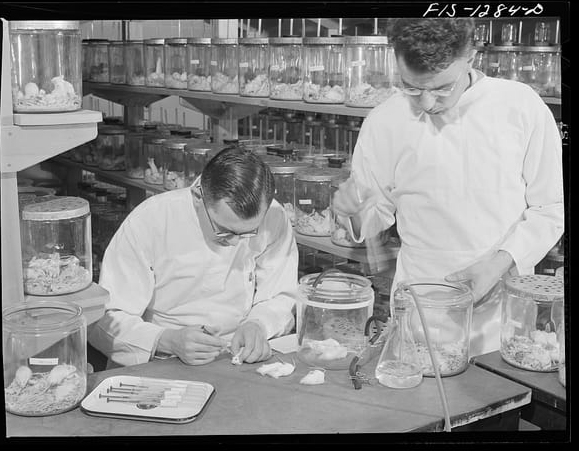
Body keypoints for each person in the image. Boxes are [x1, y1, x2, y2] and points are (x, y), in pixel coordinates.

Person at [332, 18, 564, 357]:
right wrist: (353, 214)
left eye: (441, 88)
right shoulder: (385, 120)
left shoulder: (520, 106)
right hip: (420, 313)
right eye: (412, 87)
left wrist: (500, 262)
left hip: (501, 317)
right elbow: (375, 211)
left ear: (470, 57)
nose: (427, 103)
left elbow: (551, 208)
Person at [88, 147, 298, 368]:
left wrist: (258, 325)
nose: (236, 242)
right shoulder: (152, 220)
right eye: (225, 231)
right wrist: (166, 340)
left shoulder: (273, 216)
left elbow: (281, 295)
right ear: (198, 195)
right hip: (159, 357)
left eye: (247, 233)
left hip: (237, 354)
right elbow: (107, 319)